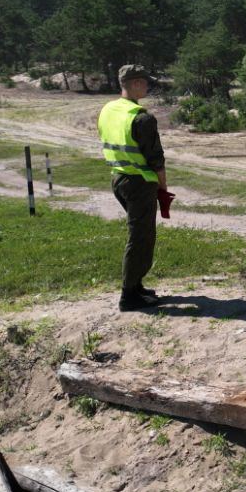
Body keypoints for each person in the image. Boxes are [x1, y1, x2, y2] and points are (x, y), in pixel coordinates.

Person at [97, 65, 173, 311]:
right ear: (135, 83)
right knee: (140, 238)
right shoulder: (142, 118)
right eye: (145, 82)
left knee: (139, 235)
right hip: (139, 183)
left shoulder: (109, 109)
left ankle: (136, 286)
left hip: (118, 178)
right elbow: (156, 160)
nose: (148, 86)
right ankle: (129, 296)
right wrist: (163, 190)